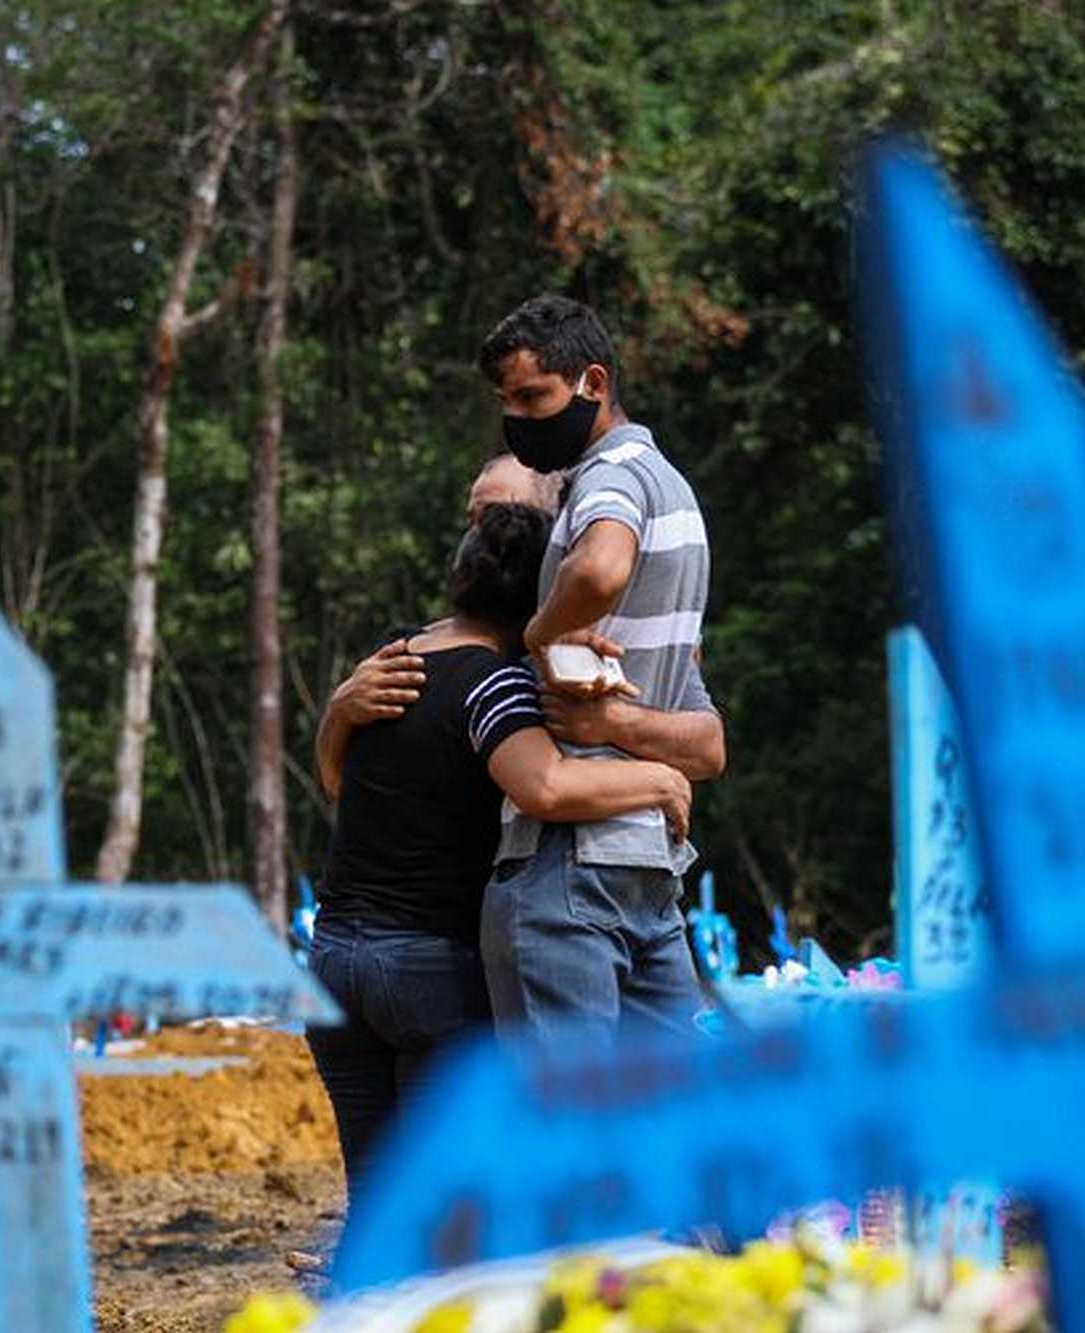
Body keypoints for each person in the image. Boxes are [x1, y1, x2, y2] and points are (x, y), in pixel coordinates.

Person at [305, 500, 692, 1204]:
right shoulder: (494, 682)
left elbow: (338, 781)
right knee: (443, 1199)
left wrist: (336, 709)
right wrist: (658, 779)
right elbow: (545, 783)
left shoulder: (395, 659)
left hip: (333, 955)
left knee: (378, 1199)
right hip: (422, 963)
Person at [475, 294, 716, 1048]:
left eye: (532, 397)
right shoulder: (674, 490)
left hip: (568, 869)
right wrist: (619, 722)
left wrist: (543, 630)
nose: (517, 418)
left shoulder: (607, 478)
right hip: (647, 871)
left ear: (593, 383)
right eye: (507, 401)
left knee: (568, 1138)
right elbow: (707, 743)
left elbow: (603, 566)